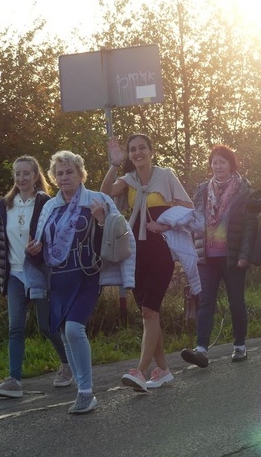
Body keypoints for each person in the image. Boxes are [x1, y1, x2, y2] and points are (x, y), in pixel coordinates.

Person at [26, 150, 135, 414]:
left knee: (74, 329)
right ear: (54, 177)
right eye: (59, 173)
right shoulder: (50, 207)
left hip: (87, 276)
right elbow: (43, 242)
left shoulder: (98, 200)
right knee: (64, 333)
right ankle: (81, 388)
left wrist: (100, 221)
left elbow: (118, 240)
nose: (64, 178)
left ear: (80, 174)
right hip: (59, 279)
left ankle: (87, 393)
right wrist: (35, 250)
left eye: (69, 172)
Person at [101, 134, 193, 391]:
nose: (137, 152)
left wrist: (164, 223)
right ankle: (162, 369)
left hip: (161, 248)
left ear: (151, 151)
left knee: (149, 311)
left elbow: (188, 206)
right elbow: (105, 194)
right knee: (148, 313)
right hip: (135, 251)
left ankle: (140, 371)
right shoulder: (128, 180)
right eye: (132, 149)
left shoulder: (165, 175)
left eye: (142, 148)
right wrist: (114, 165)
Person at [0, 156, 72, 398]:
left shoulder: (46, 203)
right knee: (15, 328)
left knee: (47, 326)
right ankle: (14, 380)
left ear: (36, 176)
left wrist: (42, 247)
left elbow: (58, 236)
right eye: (17, 174)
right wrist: (2, 275)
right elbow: (1, 245)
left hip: (39, 271)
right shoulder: (3, 206)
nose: (21, 178)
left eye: (26, 173)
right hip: (15, 274)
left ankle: (68, 364)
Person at [180, 145, 258, 368]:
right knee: (205, 302)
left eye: (222, 162)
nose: (218, 166)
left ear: (231, 165)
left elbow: (250, 225)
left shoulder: (244, 190)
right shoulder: (203, 190)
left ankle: (240, 345)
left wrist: (245, 255)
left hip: (232, 257)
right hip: (208, 256)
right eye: (214, 162)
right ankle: (202, 349)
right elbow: (195, 220)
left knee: (236, 302)